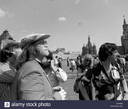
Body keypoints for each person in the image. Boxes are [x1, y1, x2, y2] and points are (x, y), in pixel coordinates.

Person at [16, 34, 66, 100]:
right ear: (31, 49)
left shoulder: (34, 65)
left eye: (46, 42)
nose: (46, 45)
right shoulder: (31, 69)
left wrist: (50, 90)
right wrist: (57, 98)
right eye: (42, 43)